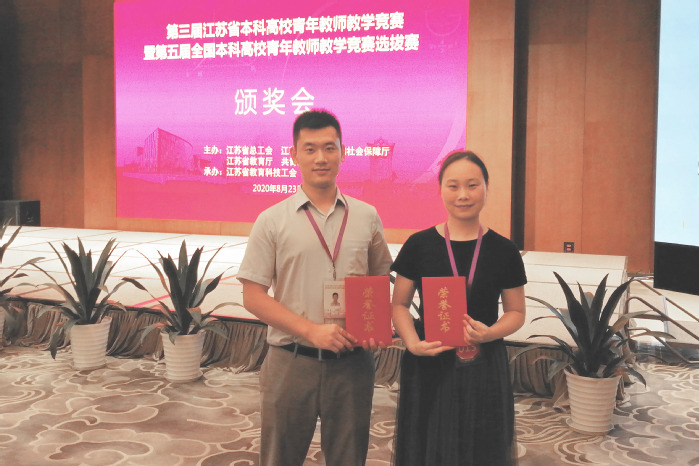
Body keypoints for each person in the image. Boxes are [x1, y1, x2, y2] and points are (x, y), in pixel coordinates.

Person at [237, 109, 393, 466]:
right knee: (280, 457)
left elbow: (378, 278)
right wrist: (310, 330)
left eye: (329, 147)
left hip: (352, 364)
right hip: (291, 362)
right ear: (294, 155)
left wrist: (375, 324)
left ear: (343, 152)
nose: (320, 157)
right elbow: (252, 296)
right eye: (310, 149)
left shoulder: (367, 216)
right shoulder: (271, 220)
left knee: (349, 458)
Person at [390, 150, 527, 465]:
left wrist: (490, 333)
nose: (463, 195)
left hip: (483, 362)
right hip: (429, 361)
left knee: (482, 446)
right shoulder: (419, 245)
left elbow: (516, 312)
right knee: (427, 444)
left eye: (472, 185)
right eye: (453, 186)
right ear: (440, 190)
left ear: (486, 188)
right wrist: (412, 343)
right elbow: (399, 305)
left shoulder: (504, 250)